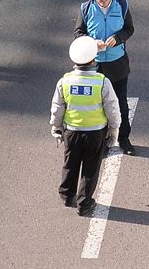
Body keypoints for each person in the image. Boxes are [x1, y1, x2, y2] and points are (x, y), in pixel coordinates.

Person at [51, 36, 120, 214]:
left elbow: (58, 107)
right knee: (90, 168)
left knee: (70, 163)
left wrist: (56, 127)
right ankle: (85, 202)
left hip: (71, 132)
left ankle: (67, 195)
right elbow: (112, 108)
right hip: (95, 133)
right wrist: (114, 129)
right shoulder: (102, 82)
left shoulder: (64, 81)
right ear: (93, 59)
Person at [75, 0, 135, 154]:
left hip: (118, 63)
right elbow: (79, 33)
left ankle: (124, 138)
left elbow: (129, 29)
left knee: (121, 104)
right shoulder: (86, 9)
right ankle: (101, 141)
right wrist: (93, 44)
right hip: (96, 65)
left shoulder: (122, 5)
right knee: (98, 105)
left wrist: (118, 38)